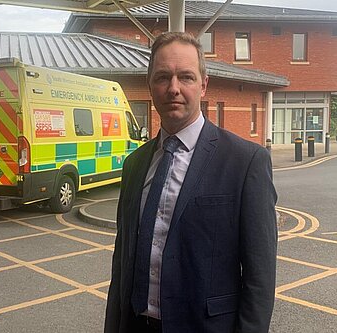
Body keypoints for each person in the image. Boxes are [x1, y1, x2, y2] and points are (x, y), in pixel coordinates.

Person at [105, 32, 278, 333]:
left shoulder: (245, 161)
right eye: (162, 77)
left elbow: (259, 277)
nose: (173, 88)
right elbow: (121, 264)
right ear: (150, 85)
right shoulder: (134, 165)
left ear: (203, 84)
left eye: (185, 77)